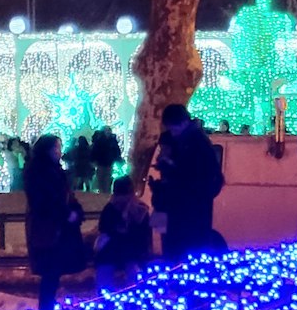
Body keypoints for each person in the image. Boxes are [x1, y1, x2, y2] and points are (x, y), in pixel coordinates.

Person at [152, 103, 224, 261]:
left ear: (183, 122)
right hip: (183, 205)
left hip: (191, 207)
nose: (172, 132)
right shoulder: (183, 141)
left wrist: (171, 167)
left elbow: (194, 174)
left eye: (174, 128)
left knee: (187, 249)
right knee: (179, 248)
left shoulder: (196, 143)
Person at [25, 134, 82, 310]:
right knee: (51, 271)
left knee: (53, 272)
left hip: (58, 225)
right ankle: (46, 309)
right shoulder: (40, 171)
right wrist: (66, 214)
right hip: (49, 226)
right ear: (47, 150)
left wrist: (75, 211)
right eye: (56, 148)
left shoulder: (53, 170)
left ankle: (48, 308)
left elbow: (64, 195)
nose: (59, 152)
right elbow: (45, 200)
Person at [94, 176, 152, 292]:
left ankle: (106, 297)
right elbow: (145, 234)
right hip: (131, 252)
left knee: (105, 279)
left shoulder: (110, 208)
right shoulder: (140, 209)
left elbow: (103, 228)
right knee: (133, 280)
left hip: (111, 251)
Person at [90, 127, 121, 195]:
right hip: (101, 162)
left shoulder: (112, 141)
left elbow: (116, 151)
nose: (108, 132)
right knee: (101, 178)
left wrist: (118, 158)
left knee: (106, 179)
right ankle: (103, 192)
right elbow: (95, 151)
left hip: (108, 163)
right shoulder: (100, 140)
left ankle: (106, 192)